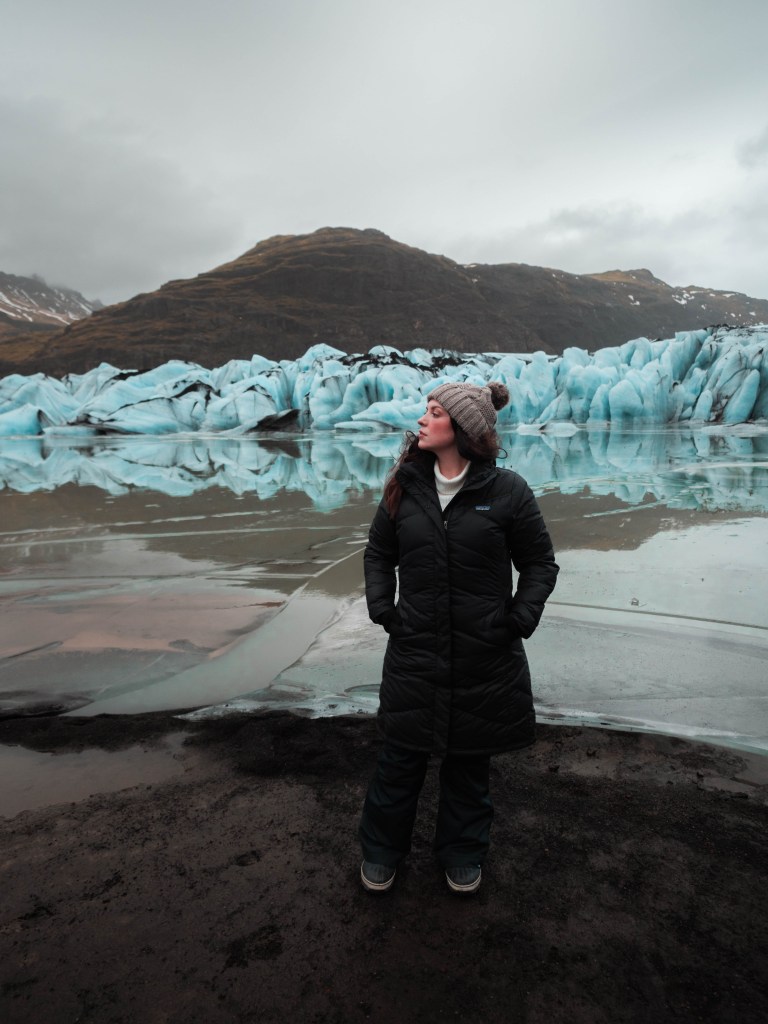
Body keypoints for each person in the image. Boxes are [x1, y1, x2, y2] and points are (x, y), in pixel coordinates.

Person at [359, 380, 559, 894]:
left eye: (433, 412)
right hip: (415, 650)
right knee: (399, 760)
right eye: (425, 410)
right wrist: (384, 608)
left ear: (464, 429)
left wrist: (519, 618)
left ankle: (463, 852)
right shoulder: (405, 485)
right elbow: (379, 553)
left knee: (469, 764)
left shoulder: (507, 491)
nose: (422, 420)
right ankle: (381, 852)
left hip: (483, 655)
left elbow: (538, 563)